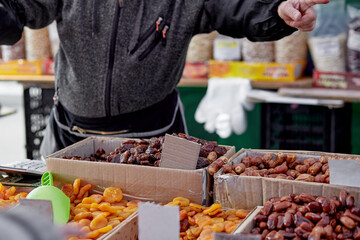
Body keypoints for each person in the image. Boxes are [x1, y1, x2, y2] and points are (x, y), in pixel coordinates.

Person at [0, 0, 328, 156]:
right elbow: (17, 8)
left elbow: (236, 7)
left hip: (156, 136)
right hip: (72, 134)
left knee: (163, 223)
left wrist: (278, 12)